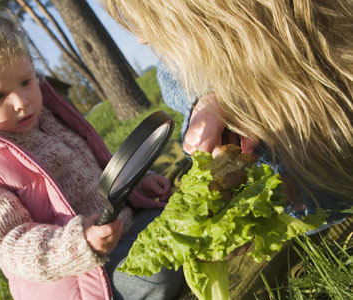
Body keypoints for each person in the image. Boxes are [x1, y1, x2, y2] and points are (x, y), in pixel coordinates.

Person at [0, 1, 183, 299]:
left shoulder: (50, 119)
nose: (21, 101)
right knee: (157, 275)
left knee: (180, 220)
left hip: (122, 227)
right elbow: (10, 243)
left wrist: (136, 182)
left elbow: (98, 167)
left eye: (25, 81)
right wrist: (79, 243)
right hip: (83, 274)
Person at [101, 0, 353, 227]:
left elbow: (326, 188)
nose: (141, 40)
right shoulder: (173, 70)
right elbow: (173, 72)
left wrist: (280, 195)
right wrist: (212, 97)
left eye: (142, 20)